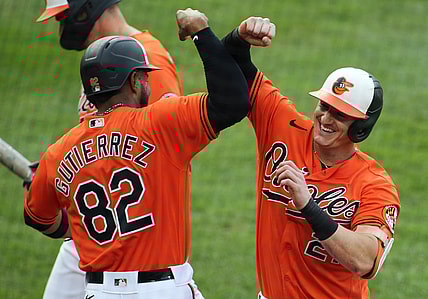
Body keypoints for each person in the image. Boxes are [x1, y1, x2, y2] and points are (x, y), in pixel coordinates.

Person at [24, 8, 248, 299]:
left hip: (97, 290)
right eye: (144, 76)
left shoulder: (58, 153)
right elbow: (233, 102)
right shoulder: (161, 122)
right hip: (163, 289)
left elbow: (39, 219)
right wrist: (202, 34)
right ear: (132, 82)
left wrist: (74, 222)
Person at [221, 17, 400, 298]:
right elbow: (230, 64)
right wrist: (239, 38)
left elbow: (367, 261)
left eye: (340, 114)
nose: (325, 118)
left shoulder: (374, 185)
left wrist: (309, 206)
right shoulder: (283, 128)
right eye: (324, 106)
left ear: (361, 127)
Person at [35, 1, 183, 298]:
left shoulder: (144, 59)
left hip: (128, 236)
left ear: (86, 7)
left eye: (64, 17)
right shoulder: (102, 59)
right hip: (95, 225)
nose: (62, 28)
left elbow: (168, 149)